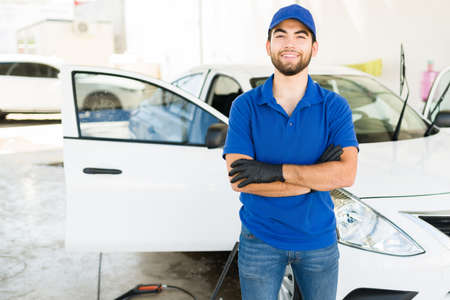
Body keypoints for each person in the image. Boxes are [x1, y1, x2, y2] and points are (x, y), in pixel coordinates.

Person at [222, 4, 359, 300]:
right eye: (281, 35)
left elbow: (346, 174)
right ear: (269, 45)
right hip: (260, 239)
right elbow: (239, 180)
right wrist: (316, 177)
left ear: (314, 46)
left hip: (319, 240)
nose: (290, 43)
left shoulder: (334, 107)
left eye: (300, 36)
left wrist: (274, 171)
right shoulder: (245, 107)